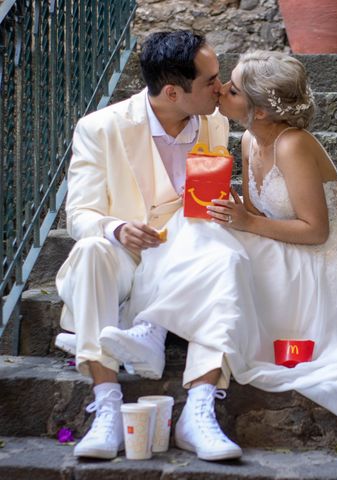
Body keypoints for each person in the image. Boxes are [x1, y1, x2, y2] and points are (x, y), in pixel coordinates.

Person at [106, 51, 337, 436]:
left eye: (233, 89)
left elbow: (315, 230)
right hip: (280, 243)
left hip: (318, 260)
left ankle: (152, 326)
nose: (221, 89)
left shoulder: (294, 145)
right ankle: (151, 330)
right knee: (195, 218)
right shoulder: (249, 141)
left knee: (205, 236)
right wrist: (232, 210)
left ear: (262, 111)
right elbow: (256, 218)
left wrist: (245, 221)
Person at [55, 30, 243, 461]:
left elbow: (206, 200)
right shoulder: (99, 128)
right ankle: (106, 405)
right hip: (127, 257)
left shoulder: (216, 123)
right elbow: (79, 215)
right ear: (174, 91)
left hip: (190, 257)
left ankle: (198, 409)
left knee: (225, 255)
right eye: (211, 80)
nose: (222, 86)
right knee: (89, 251)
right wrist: (117, 229)